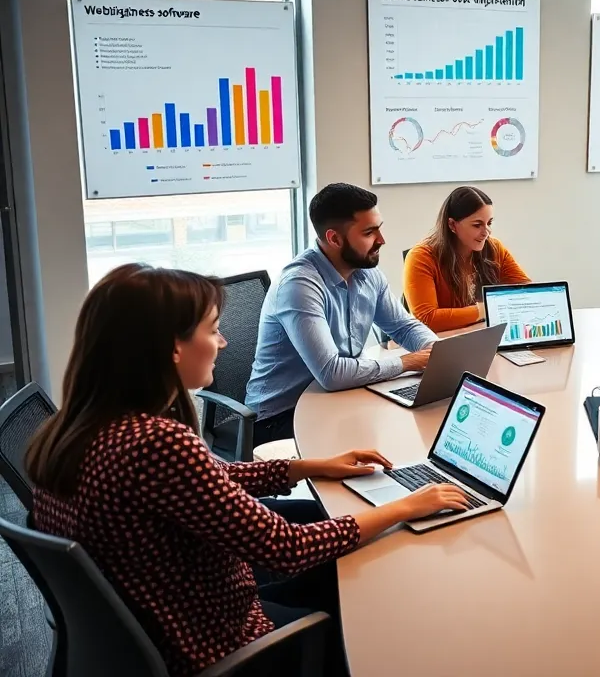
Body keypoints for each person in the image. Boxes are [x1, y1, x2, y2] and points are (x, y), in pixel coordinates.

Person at [26, 264, 472, 677]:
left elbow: (205, 484)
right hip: (218, 641)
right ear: (172, 348)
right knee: (367, 589)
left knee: (342, 544)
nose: (223, 343)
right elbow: (286, 548)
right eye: (213, 330)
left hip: (153, 619)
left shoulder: (79, 429)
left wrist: (307, 466)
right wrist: (403, 505)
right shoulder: (157, 442)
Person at [246, 183, 439, 444]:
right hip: (280, 420)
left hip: (341, 398)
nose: (382, 240)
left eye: (379, 228)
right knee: (387, 446)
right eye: (369, 232)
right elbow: (332, 374)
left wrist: (438, 354)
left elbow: (404, 327)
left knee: (417, 426)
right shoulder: (299, 285)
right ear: (334, 239)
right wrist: (408, 362)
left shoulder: (368, 273)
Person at [403, 186, 530, 331]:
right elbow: (427, 318)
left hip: (481, 338)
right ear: (452, 224)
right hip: (443, 344)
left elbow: (526, 294)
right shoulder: (421, 257)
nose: (486, 233)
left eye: (489, 223)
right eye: (477, 225)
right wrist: (486, 309)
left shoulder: (494, 248)